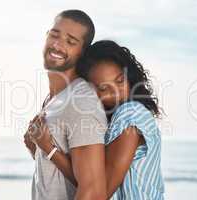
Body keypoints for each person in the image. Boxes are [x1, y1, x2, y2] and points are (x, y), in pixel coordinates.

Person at [33, 40, 165, 199]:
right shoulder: (113, 120)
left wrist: (50, 150)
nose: (116, 93)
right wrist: (38, 148)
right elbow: (87, 175)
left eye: (119, 80)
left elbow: (100, 191)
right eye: (103, 88)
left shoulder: (130, 114)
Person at [24, 10, 108, 200]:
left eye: (70, 41)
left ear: (82, 52)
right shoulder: (54, 99)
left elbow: (93, 191)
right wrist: (36, 150)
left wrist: (49, 149)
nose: (57, 44)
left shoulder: (81, 102)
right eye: (54, 35)